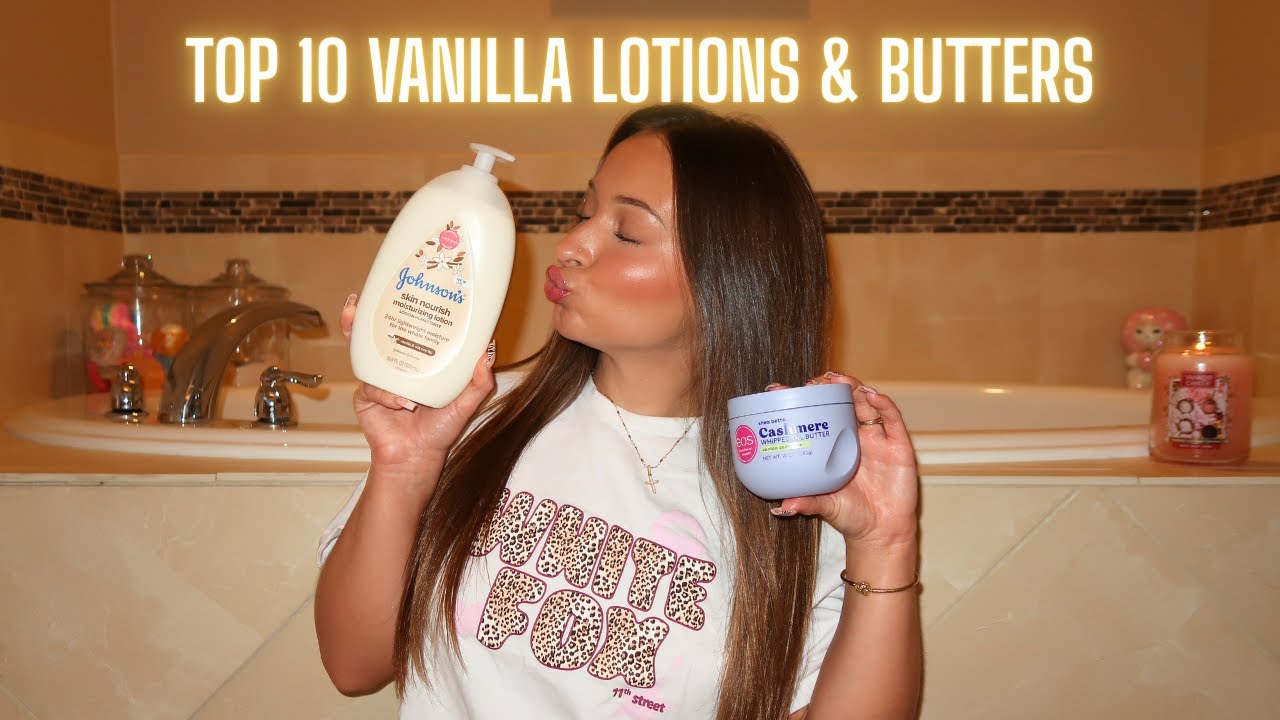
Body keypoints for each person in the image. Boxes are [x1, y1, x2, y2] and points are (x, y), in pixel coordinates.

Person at [314, 104, 922, 719]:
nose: (571, 245)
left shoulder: (794, 490)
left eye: (626, 232)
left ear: (729, 280)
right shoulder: (475, 415)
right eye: (585, 212)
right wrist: (404, 464)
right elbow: (353, 664)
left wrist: (885, 543)